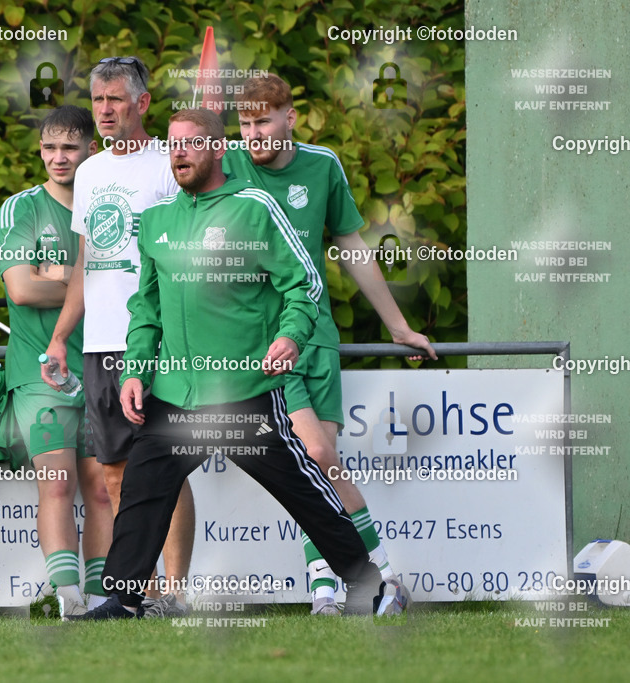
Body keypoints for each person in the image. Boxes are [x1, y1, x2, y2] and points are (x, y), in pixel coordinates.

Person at [76, 108, 383, 619]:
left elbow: (302, 284)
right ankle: (124, 600)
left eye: (191, 144)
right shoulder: (156, 222)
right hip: (176, 394)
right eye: (172, 145)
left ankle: (365, 580)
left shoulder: (255, 207)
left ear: (219, 149)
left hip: (243, 389)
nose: (179, 154)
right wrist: (134, 370)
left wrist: (290, 335)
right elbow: (145, 309)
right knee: (143, 490)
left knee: (302, 490)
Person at [224, 74, 437, 615]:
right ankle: (367, 577)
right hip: (264, 343)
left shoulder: (322, 165)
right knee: (315, 456)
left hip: (317, 334)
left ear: (289, 118)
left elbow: (352, 247)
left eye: (263, 121)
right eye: (245, 123)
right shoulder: (223, 163)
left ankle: (341, 583)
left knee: (322, 465)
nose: (254, 134)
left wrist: (397, 326)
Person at [41, 56, 194, 617]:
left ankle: (174, 593)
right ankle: (143, 591)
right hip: (99, 343)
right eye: (98, 100)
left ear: (142, 103)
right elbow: (87, 260)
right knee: (113, 474)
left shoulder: (166, 166)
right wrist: (61, 336)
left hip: (156, 342)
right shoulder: (89, 173)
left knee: (165, 467)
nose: (104, 111)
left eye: (115, 100)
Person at [0, 105, 114, 620]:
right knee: (58, 484)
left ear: (90, 148)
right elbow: (21, 289)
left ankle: (105, 597)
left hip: (103, 363)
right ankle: (68, 598)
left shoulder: (110, 204)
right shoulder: (22, 208)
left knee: (104, 489)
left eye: (69, 147)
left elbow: (124, 287)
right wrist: (85, 278)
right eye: (49, 147)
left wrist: (60, 275)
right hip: (39, 368)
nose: (58, 158)